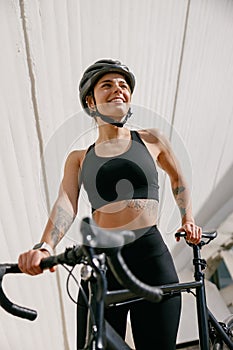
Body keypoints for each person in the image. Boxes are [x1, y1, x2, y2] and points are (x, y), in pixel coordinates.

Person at [18, 59, 202, 349]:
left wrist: (187, 220)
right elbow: (66, 202)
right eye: (107, 85)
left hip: (150, 256)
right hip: (101, 261)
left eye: (124, 85)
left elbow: (178, 179)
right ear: (91, 101)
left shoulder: (152, 139)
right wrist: (45, 246)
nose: (118, 89)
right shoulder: (79, 158)